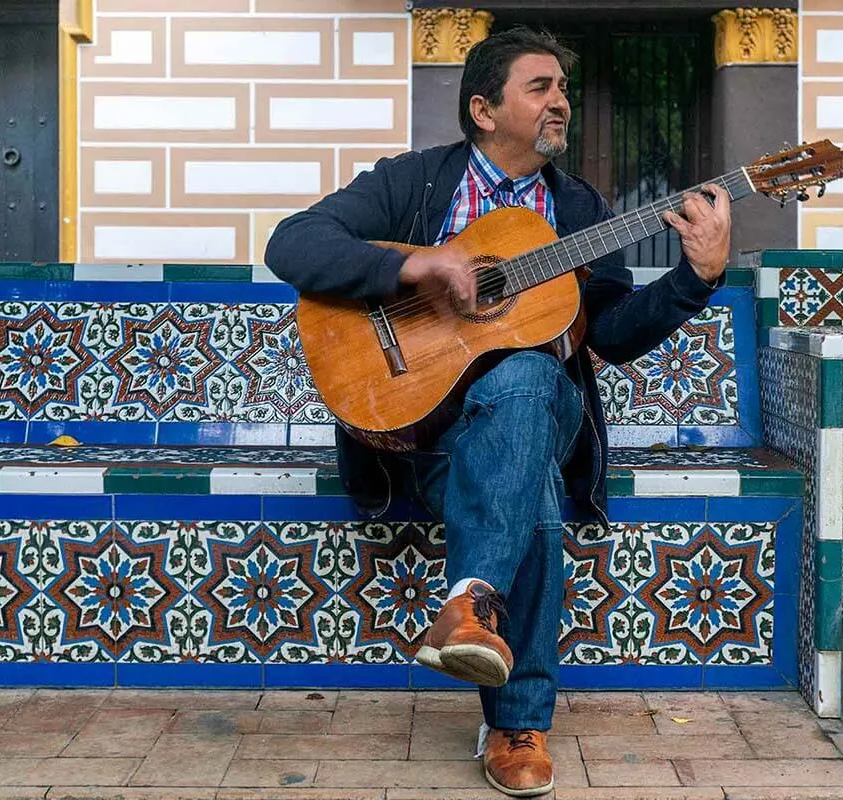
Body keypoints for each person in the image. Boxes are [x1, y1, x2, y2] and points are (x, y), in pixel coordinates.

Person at [264, 25, 731, 798]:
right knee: (536, 494)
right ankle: (517, 723)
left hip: (540, 413)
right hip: (419, 432)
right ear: (483, 108)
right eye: (540, 88)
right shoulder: (414, 184)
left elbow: (609, 333)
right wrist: (418, 263)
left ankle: (470, 605)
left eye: (564, 90)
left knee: (522, 374)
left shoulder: (578, 208)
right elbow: (293, 243)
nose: (562, 103)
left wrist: (696, 279)